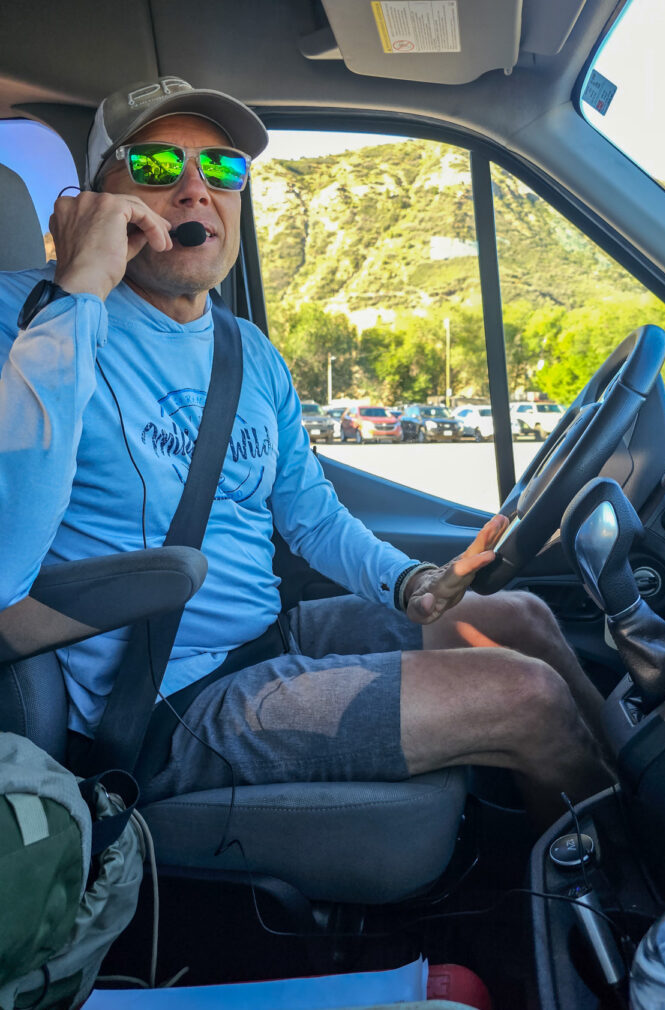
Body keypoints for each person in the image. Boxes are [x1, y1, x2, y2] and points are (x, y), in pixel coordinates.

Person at [0, 77, 611, 828]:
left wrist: (406, 580)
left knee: (520, 618)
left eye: (223, 169)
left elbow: (310, 513)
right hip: (164, 696)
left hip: (267, 639)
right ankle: (626, 905)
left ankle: (656, 813)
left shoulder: (247, 352)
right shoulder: (25, 315)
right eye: (157, 167)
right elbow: (6, 551)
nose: (196, 190)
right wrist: (82, 287)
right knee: (526, 696)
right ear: (101, 197)